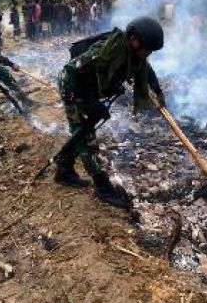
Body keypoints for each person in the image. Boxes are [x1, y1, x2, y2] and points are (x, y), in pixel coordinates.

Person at [55, 16, 166, 208]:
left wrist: (157, 91)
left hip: (88, 89)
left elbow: (146, 70)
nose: (147, 54)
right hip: (73, 86)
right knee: (86, 136)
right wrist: (91, 104)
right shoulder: (106, 51)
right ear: (133, 38)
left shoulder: (134, 55)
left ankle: (64, 169)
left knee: (81, 131)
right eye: (146, 49)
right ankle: (102, 187)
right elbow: (73, 71)